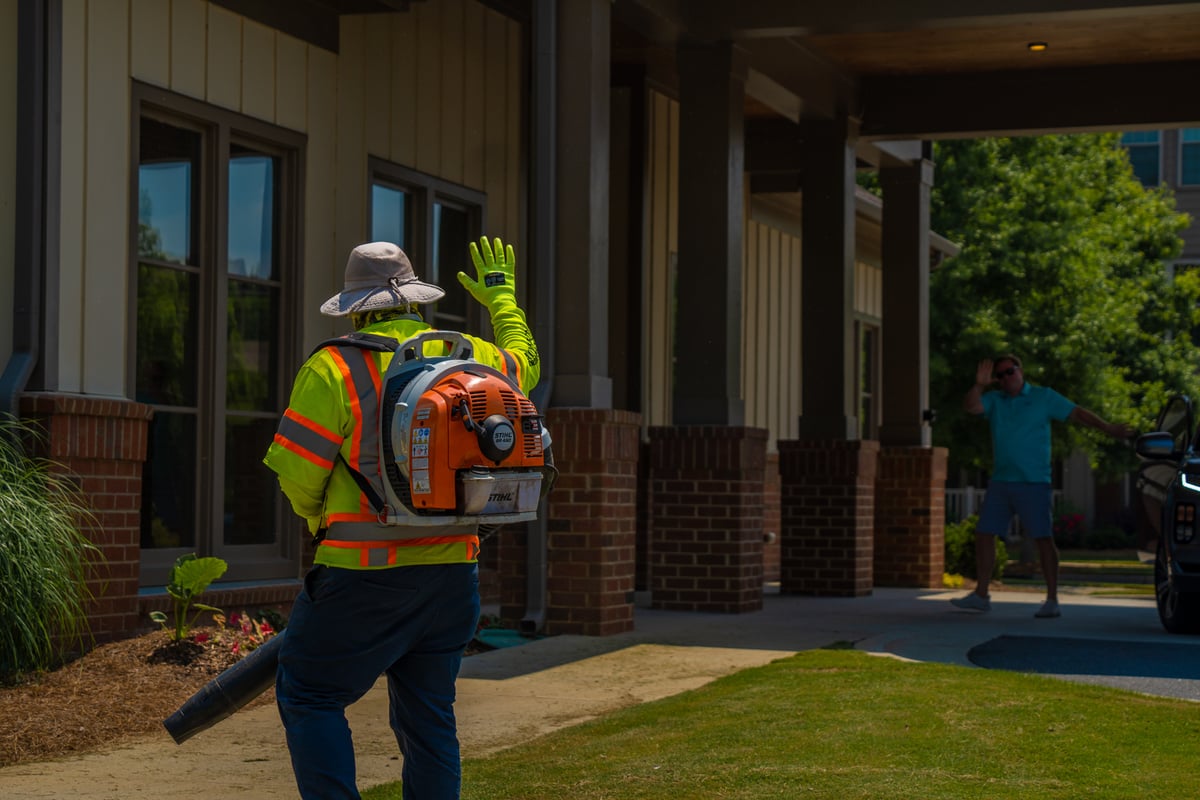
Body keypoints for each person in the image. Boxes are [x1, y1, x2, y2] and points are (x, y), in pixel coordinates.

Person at [262, 237, 539, 799]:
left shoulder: (334, 367)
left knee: (309, 695)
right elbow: (527, 366)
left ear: (355, 303)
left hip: (360, 576)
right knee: (429, 716)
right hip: (453, 577)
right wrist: (502, 300)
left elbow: (295, 470)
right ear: (412, 299)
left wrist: (321, 518)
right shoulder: (473, 358)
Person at [951, 354, 1133, 619]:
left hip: (1034, 482)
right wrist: (979, 385)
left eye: (1009, 372)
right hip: (1001, 482)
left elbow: (1077, 413)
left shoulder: (1043, 397)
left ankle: (1051, 599)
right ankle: (981, 595)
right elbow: (971, 407)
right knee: (984, 533)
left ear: (1020, 370)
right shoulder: (995, 401)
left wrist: (1108, 428)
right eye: (999, 375)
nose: (1005, 378)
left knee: (1043, 538)